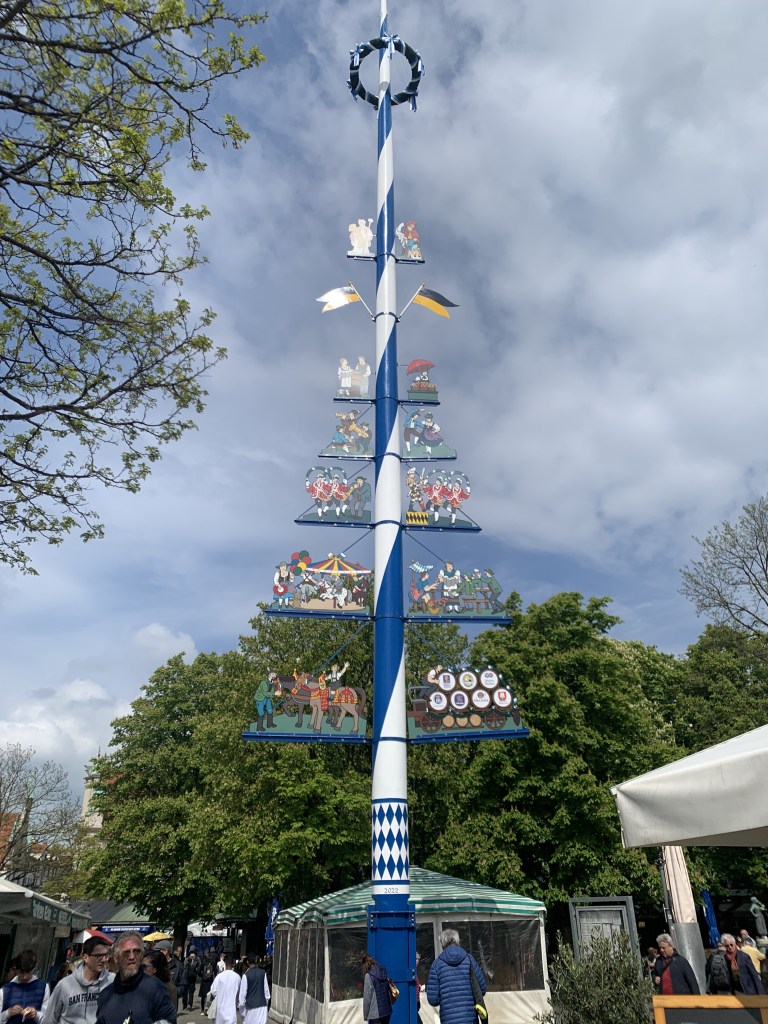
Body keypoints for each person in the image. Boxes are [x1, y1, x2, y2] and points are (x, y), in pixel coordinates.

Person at [96, 931, 176, 1024]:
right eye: (126, 952)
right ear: (116, 958)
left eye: (136, 951)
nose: (132, 957)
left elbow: (170, 1021)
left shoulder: (156, 989)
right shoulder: (106, 994)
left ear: (142, 955)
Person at [47, 937, 114, 1024]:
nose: (104, 960)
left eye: (106, 955)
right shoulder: (65, 984)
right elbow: (50, 1019)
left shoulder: (112, 981)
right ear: (86, 957)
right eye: (99, 956)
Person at [426, 929, 486, 1024]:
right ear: (458, 941)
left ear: (442, 943)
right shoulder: (469, 959)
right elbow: (482, 989)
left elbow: (433, 1000)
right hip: (470, 1019)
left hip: (448, 1019)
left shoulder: (436, 964)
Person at [1, 949, 50, 1024]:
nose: (25, 977)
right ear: (16, 970)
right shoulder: (5, 990)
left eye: (28, 972)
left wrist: (36, 1015)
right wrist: (8, 1013)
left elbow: (47, 1019)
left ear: (34, 968)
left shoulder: (44, 987)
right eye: (21, 972)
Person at [206, 954, 240, 1024]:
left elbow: (213, 991)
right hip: (231, 1010)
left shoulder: (219, 976)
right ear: (233, 964)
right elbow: (240, 994)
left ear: (225, 964)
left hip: (220, 1010)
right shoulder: (237, 977)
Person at [237, 955, 269, 1024]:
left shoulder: (245, 976)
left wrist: (242, 1012)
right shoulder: (263, 973)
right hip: (262, 1006)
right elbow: (266, 992)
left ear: (248, 962)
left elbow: (242, 996)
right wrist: (265, 1004)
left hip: (250, 1007)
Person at [361, 956, 392, 1024]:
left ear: (365, 965)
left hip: (375, 1014)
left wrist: (365, 1015)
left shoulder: (368, 976)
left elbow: (367, 998)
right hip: (387, 1011)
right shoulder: (383, 971)